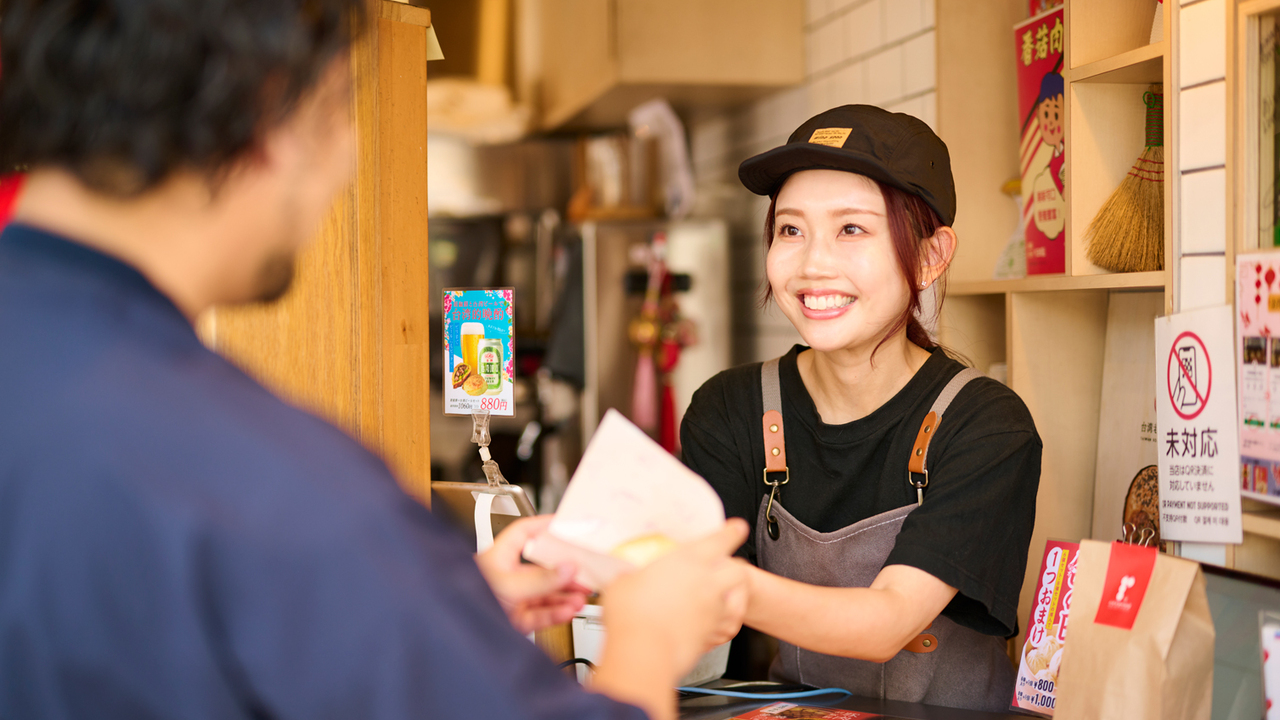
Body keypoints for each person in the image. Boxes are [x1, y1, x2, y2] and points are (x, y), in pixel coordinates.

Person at [0, 2, 748, 719]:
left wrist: (421, 609)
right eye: (340, 111)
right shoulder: (275, 482)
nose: (349, 160)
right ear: (266, 111)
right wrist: (649, 636)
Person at [680, 105, 1042, 712]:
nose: (813, 264)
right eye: (790, 230)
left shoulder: (986, 425)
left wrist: (728, 585)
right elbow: (696, 615)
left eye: (851, 229)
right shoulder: (731, 410)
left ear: (930, 256)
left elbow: (887, 623)